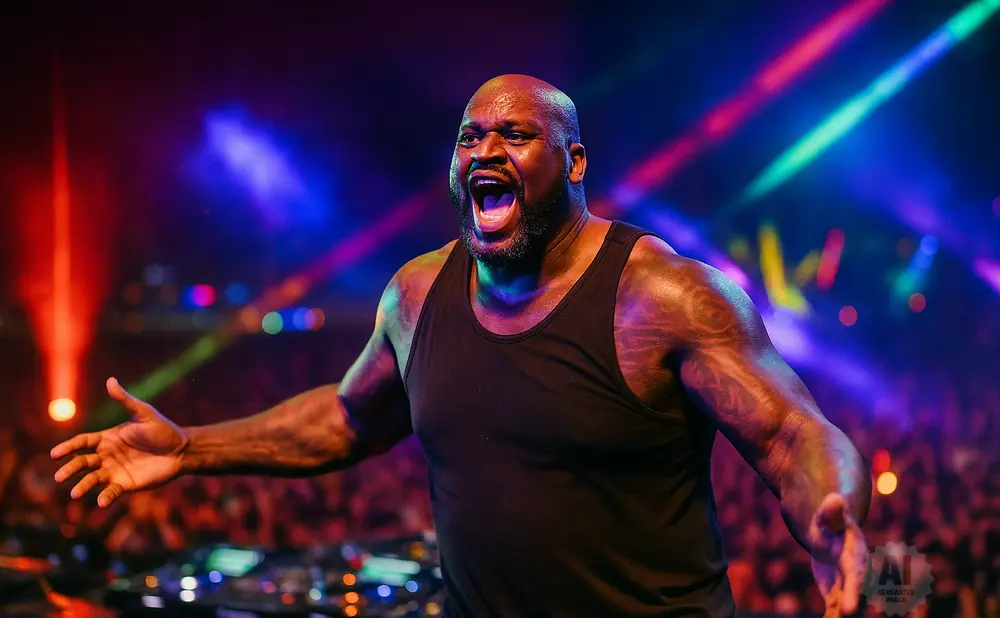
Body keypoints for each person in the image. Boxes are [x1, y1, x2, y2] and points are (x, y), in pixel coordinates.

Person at [52, 74, 871, 618]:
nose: (484, 151)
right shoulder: (416, 295)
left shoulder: (665, 296)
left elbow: (793, 433)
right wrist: (190, 447)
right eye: (469, 137)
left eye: (514, 136)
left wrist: (830, 520)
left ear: (575, 160)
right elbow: (346, 418)